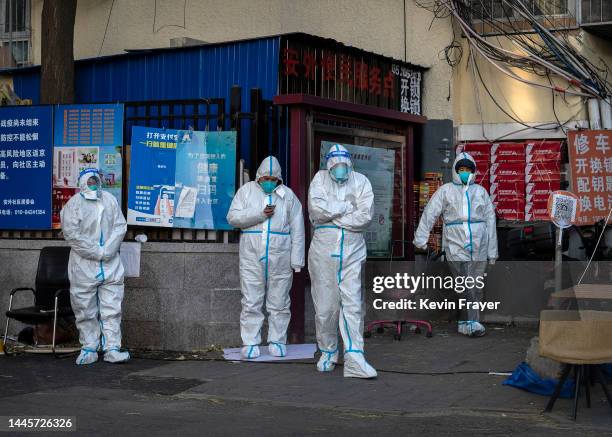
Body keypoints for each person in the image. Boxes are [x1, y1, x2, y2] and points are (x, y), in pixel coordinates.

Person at [308, 144, 377, 378]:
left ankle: (355, 356)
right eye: (335, 165)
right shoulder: (319, 180)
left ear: (350, 164)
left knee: (352, 304)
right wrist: (346, 208)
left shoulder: (362, 182)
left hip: (352, 250)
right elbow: (316, 210)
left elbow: (364, 217)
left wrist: (333, 217)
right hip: (323, 252)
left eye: (344, 165)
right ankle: (328, 350)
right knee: (325, 307)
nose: (340, 169)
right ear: (329, 165)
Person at [227, 156, 305, 359]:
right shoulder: (246, 191)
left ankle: (277, 340)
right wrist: (259, 214)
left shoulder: (288, 196)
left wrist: (297, 260)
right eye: (265, 178)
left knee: (279, 301)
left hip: (281, 256)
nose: (269, 181)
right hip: (251, 255)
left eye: (273, 179)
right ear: (258, 177)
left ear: (279, 179)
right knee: (251, 300)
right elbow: (233, 218)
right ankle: (250, 342)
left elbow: (298, 229)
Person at [413, 152, 498, 337]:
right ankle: (471, 325)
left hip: (479, 245)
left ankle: (466, 323)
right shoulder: (445, 191)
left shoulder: (481, 192)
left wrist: (492, 252)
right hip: (455, 243)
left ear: (474, 172)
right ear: (455, 171)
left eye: (468, 169)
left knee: (476, 286)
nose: (465, 173)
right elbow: (430, 213)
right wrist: (420, 239)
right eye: (461, 169)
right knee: (466, 284)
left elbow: (491, 222)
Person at [60, 168, 129, 365]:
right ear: (81, 182)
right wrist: (96, 252)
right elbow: (72, 235)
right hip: (84, 266)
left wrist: (108, 250)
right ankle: (89, 347)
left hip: (111, 265)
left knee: (112, 308)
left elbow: (119, 226)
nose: (92, 184)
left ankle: (112, 348)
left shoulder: (109, 200)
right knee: (84, 309)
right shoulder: (73, 204)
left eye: (95, 180)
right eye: (89, 181)